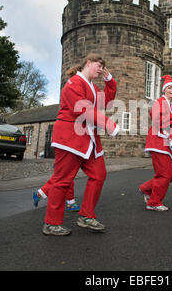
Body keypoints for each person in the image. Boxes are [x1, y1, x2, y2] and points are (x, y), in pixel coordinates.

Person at [42, 54, 119, 236]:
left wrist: (109, 81)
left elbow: (106, 103)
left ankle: (86, 215)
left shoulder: (92, 86)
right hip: (70, 138)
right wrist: (108, 124)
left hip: (88, 138)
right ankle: (51, 223)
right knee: (62, 181)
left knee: (99, 175)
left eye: (103, 67)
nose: (100, 69)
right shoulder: (74, 83)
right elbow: (82, 108)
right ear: (88, 63)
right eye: (99, 66)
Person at [139, 75, 172, 211]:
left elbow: (171, 124)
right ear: (164, 90)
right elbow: (156, 120)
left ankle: (146, 188)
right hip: (157, 141)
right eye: (169, 88)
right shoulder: (159, 102)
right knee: (164, 174)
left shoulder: (170, 105)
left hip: (166, 143)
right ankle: (153, 202)